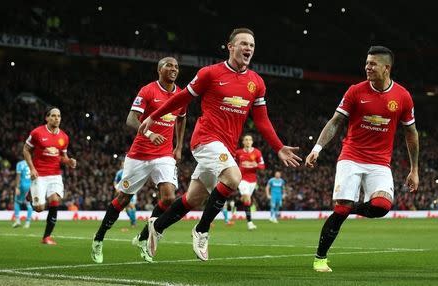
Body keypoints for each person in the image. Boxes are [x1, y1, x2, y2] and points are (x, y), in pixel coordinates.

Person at [138, 27, 301, 261]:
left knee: (193, 198)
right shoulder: (210, 73)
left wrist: (278, 147)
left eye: (252, 45)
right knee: (234, 177)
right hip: (205, 139)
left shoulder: (257, 82)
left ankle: (157, 226)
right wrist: (154, 116)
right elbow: (183, 97)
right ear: (230, 46)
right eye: (243, 44)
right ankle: (202, 230)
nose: (248, 48)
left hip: (224, 145)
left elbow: (262, 120)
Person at [305, 46, 419, 272]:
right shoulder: (355, 91)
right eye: (366, 63)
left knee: (382, 206)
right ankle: (320, 257)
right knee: (341, 209)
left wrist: (414, 169)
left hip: (380, 163)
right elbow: (336, 121)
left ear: (386, 68)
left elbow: (411, 132)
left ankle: (350, 208)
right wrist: (317, 148)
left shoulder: (403, 97)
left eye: (373, 64)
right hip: (351, 158)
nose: (367, 67)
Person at [91, 57, 186, 264]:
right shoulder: (148, 91)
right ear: (159, 69)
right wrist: (150, 134)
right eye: (169, 65)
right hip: (140, 155)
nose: (174, 69)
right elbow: (131, 119)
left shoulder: (180, 94)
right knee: (123, 198)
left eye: (177, 66)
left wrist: (178, 146)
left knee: (169, 198)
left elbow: (182, 117)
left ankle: (143, 238)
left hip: (164, 154)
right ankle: (99, 238)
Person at [23, 107, 77, 245]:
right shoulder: (37, 133)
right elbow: (26, 149)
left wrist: (69, 161)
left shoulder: (64, 137)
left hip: (55, 175)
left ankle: (46, 237)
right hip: (39, 174)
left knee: (55, 200)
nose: (56, 118)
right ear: (47, 118)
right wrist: (32, 168)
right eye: (53, 116)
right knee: (39, 208)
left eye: (58, 116)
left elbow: (62, 157)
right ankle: (31, 194)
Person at [234, 134, 265, 230]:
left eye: (250, 139)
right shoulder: (238, 153)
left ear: (252, 142)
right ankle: (250, 223)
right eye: (246, 140)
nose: (248, 141)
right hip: (242, 179)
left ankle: (234, 204)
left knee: (246, 200)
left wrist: (254, 165)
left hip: (253, 180)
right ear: (243, 142)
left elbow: (262, 166)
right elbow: (233, 163)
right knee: (247, 198)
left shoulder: (257, 152)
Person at [113, 160, 137, 227]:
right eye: (122, 164)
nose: (123, 165)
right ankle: (133, 221)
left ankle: (133, 222)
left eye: (124, 164)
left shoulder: (130, 172)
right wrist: (116, 188)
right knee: (127, 209)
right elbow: (115, 181)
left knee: (132, 206)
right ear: (121, 165)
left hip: (131, 191)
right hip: (123, 192)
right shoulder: (119, 173)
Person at [12, 159, 33, 228]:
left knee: (17, 202)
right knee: (29, 204)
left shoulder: (20, 164)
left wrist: (17, 187)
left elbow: (18, 176)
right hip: (31, 185)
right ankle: (27, 223)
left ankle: (17, 220)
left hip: (23, 185)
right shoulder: (33, 163)